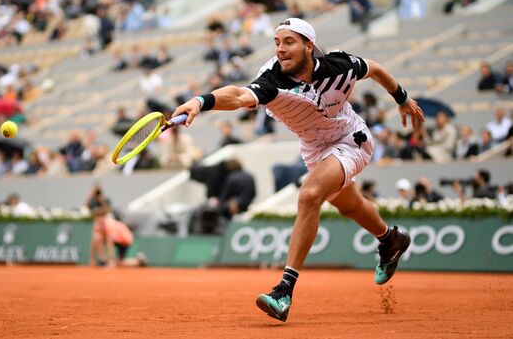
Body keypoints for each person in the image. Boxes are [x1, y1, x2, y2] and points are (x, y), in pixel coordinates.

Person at [172, 18, 424, 322]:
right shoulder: (271, 79)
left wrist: (402, 99)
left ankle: (284, 291)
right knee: (352, 206)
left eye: (288, 42)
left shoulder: (339, 66)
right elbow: (238, 96)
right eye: (277, 43)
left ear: (309, 45)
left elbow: (375, 68)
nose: (280, 49)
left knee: (309, 195)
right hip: (314, 150)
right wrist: (201, 101)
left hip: (350, 139)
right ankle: (390, 240)